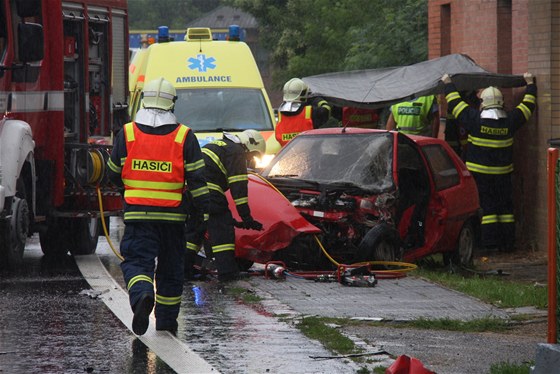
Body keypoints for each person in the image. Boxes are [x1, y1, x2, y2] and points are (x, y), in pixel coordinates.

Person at [107, 77, 209, 335]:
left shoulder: (127, 133)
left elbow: (112, 173)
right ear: (172, 103)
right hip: (174, 220)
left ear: (144, 100)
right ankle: (165, 323)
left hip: (139, 218)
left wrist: (128, 190)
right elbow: (198, 182)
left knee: (138, 263)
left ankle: (142, 296)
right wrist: (201, 214)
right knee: (171, 270)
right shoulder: (184, 136)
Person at [441, 72, 537, 252]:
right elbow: (528, 105)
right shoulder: (510, 121)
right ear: (501, 103)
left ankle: (488, 244)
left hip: (479, 177)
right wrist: (530, 84)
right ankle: (508, 244)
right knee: (506, 210)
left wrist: (448, 83)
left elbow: (455, 103)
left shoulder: (475, 120)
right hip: (503, 176)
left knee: (486, 210)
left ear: (483, 103)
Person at [185, 130, 265, 282]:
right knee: (223, 231)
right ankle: (228, 273)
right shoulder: (236, 152)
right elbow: (239, 189)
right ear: (249, 145)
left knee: (194, 233)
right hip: (211, 192)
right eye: (252, 155)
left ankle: (184, 270)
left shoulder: (219, 145)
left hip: (193, 192)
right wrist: (247, 218)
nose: (249, 160)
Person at [275, 78, 332, 146]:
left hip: (287, 154)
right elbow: (327, 110)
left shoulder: (280, 114)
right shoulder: (309, 112)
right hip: (309, 152)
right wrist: (317, 100)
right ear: (303, 93)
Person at [444, 90, 480, 160]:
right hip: (457, 145)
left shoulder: (455, 105)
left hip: (453, 142)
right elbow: (463, 135)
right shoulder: (465, 113)